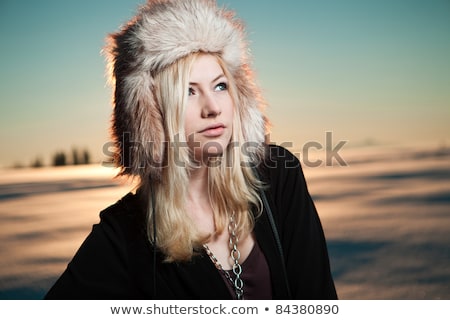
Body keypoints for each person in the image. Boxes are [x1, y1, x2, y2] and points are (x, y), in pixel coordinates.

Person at [45, 0, 337, 300]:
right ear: (153, 113)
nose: (212, 108)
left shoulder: (277, 176)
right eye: (188, 91)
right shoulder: (124, 234)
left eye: (220, 86)